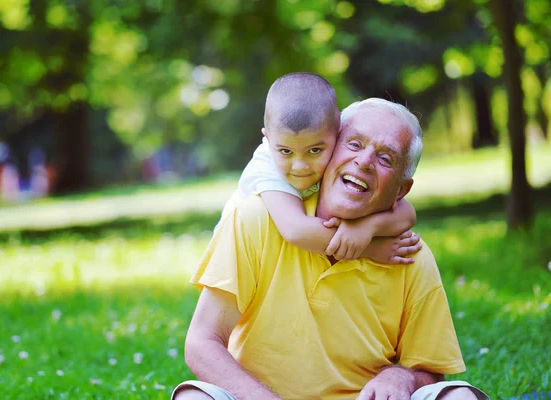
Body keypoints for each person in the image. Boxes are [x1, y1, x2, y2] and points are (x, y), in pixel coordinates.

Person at [173, 98, 490, 399]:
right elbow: (202, 343)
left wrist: (402, 376)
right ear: (326, 151)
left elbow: (431, 371)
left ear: (401, 190)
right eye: (354, 144)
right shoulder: (258, 218)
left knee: (459, 396)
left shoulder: (408, 254)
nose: (364, 161)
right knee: (193, 396)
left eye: (385, 159)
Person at [218, 72, 419, 263]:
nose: (299, 166)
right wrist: (370, 249)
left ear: (337, 133)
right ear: (268, 139)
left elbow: (407, 213)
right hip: (233, 258)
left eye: (314, 151)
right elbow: (296, 230)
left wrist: (367, 228)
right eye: (286, 152)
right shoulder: (266, 166)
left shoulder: (331, 151)